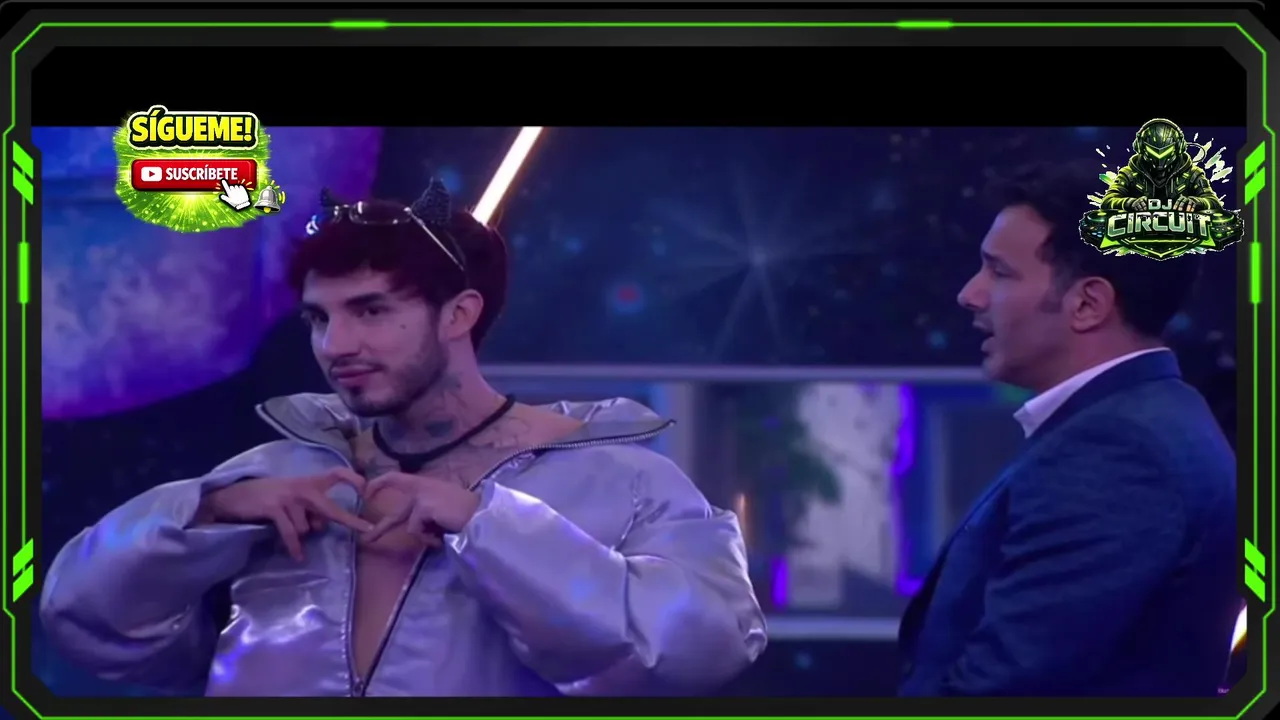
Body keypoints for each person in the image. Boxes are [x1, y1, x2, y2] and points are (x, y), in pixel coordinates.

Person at [40, 179, 767, 697]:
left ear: (459, 314)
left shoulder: (623, 479)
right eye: (319, 318)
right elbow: (87, 622)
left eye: (371, 310)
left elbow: (706, 648)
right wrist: (207, 512)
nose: (336, 345)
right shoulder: (277, 470)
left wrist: (489, 525)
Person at [897, 162, 1238, 697]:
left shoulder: (1121, 452)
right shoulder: (1143, 421)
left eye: (999, 272)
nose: (970, 294)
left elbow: (1007, 688)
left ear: (1087, 303)